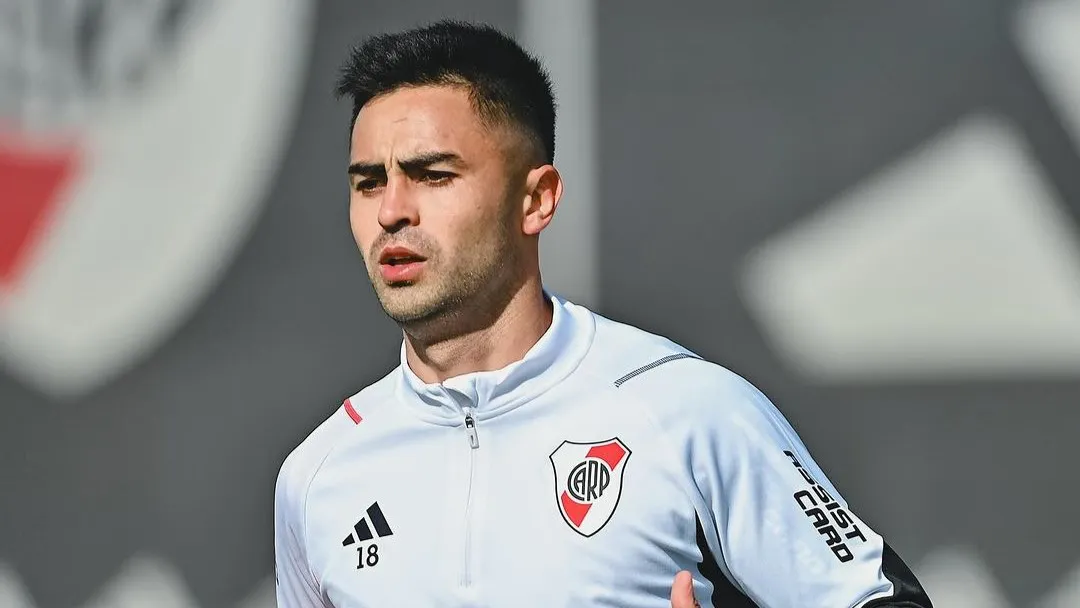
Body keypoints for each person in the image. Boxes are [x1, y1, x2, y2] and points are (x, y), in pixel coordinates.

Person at [274, 19, 934, 608]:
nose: (391, 211)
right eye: (368, 182)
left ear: (537, 199)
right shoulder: (319, 475)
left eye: (434, 175)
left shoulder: (689, 413)